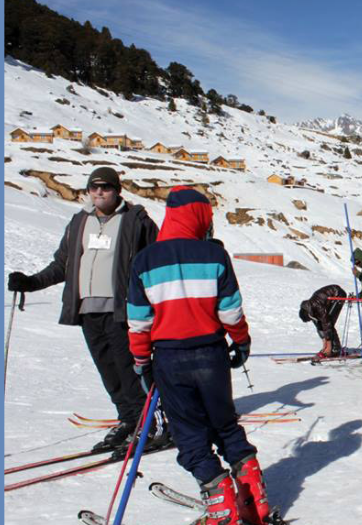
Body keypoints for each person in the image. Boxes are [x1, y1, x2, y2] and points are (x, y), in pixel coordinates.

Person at [126, 186, 275, 525]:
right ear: (200, 217)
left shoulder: (145, 260)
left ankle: (222, 505)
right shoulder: (214, 255)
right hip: (211, 353)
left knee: (190, 432)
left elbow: (138, 320)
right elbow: (231, 311)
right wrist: (242, 341)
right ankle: (255, 499)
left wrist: (141, 361)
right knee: (225, 425)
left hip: (169, 356)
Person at [7, 167, 161, 454]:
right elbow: (62, 265)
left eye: (106, 187)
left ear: (117, 191)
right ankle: (129, 420)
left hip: (124, 310)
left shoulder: (135, 220)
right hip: (88, 310)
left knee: (130, 369)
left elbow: (156, 261)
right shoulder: (79, 222)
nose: (99, 192)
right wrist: (30, 283)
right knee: (108, 371)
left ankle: (148, 424)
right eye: (94, 187)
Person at [299, 284, 347, 361]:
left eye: (310, 319)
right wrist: (324, 343)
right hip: (329, 298)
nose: (311, 320)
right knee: (321, 324)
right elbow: (319, 325)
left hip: (338, 294)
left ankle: (335, 349)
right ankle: (329, 347)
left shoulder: (317, 306)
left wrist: (328, 345)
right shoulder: (310, 309)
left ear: (308, 314)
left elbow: (327, 323)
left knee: (329, 322)